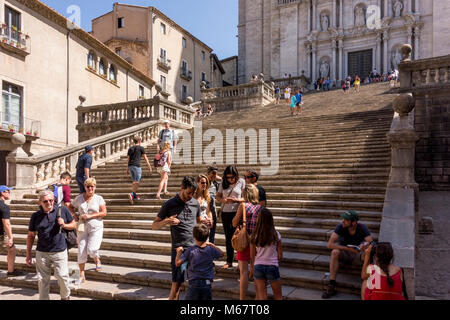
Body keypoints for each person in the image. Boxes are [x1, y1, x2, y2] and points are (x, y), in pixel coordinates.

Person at [152, 176, 201, 300]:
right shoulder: (169, 204)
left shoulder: (195, 203)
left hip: (195, 248)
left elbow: (199, 222)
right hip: (179, 249)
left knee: (196, 283)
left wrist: (206, 224)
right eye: (189, 192)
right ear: (182, 188)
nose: (191, 195)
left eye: (193, 193)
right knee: (177, 284)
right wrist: (167, 221)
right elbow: (154, 225)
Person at [26, 190, 76, 300]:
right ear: (40, 202)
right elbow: (30, 235)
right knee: (42, 280)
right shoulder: (35, 216)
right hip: (42, 252)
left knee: (62, 276)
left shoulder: (62, 210)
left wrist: (64, 225)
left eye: (51, 200)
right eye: (45, 201)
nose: (49, 203)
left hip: (60, 250)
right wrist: (28, 254)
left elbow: (74, 225)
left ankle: (65, 297)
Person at [322, 210, 373, 298]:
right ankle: (331, 285)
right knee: (334, 252)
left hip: (357, 254)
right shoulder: (340, 227)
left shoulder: (362, 227)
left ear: (353, 223)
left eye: (346, 220)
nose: (343, 221)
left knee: (368, 253)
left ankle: (368, 286)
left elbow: (372, 243)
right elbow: (329, 245)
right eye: (343, 218)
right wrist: (347, 248)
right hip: (344, 254)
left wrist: (365, 245)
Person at [70, 178, 107, 283]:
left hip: (96, 226)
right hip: (82, 226)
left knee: (92, 249)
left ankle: (97, 259)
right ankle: (81, 274)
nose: (90, 188)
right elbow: (70, 206)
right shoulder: (79, 198)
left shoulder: (98, 198)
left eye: (92, 186)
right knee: (81, 249)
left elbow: (104, 212)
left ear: (95, 187)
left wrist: (90, 216)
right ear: (85, 187)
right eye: (88, 186)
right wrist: (74, 215)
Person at [175, 224, 223, 300]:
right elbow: (221, 254)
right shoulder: (211, 249)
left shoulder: (190, 250)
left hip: (194, 283)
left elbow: (177, 263)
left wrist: (178, 253)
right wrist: (212, 245)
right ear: (207, 237)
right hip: (207, 284)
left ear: (194, 237)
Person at [232, 184, 263, 300]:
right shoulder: (261, 208)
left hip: (244, 242)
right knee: (256, 272)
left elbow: (234, 223)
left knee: (244, 272)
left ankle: (242, 299)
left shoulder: (243, 206)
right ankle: (258, 297)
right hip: (257, 242)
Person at [250, 208, 283, 300]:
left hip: (258, 266)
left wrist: (252, 268)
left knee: (262, 296)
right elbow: (280, 255)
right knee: (278, 295)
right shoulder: (276, 235)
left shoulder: (254, 235)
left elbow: (252, 256)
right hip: (272, 265)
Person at [216, 166, 245, 269]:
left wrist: (237, 200)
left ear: (236, 175)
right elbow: (218, 197)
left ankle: (241, 261)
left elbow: (245, 197)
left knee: (238, 236)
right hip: (225, 213)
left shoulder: (241, 181)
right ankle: (229, 261)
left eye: (232, 177)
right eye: (228, 177)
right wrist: (224, 200)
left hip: (237, 212)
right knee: (228, 237)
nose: (230, 179)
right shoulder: (223, 182)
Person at [0, 185, 22, 277]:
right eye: (8, 191)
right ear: (2, 193)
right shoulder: (4, 207)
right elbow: (6, 223)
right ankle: (11, 271)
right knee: (12, 249)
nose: (9, 193)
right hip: (1, 234)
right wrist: (10, 238)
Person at [127, 135, 152, 204]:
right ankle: (132, 194)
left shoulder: (130, 148)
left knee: (134, 181)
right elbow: (145, 158)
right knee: (137, 181)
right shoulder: (141, 148)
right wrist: (149, 166)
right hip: (136, 166)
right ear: (139, 141)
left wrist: (127, 169)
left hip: (130, 166)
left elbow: (128, 159)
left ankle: (134, 195)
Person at [206, 165, 221, 243]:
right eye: (212, 175)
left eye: (215, 175)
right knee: (203, 232)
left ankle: (211, 247)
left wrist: (221, 178)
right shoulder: (203, 182)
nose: (213, 177)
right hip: (204, 212)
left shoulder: (216, 184)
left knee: (212, 233)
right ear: (207, 174)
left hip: (213, 211)